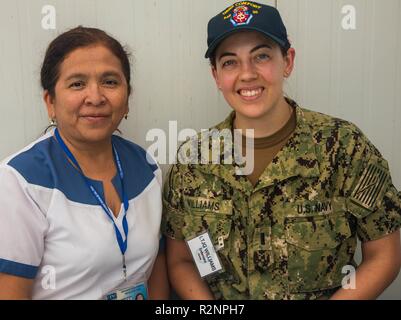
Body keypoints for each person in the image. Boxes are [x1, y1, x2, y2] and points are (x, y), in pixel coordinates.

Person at [162, 1, 401, 300]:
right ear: (216, 76)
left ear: (287, 60)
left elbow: (384, 255)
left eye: (261, 56)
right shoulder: (193, 160)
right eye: (230, 62)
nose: (247, 74)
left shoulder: (344, 147)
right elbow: (181, 260)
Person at [0, 27, 169, 300]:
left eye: (110, 82)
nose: (95, 97)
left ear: (127, 98)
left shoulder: (145, 165)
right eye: (77, 84)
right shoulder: (20, 181)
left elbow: (157, 268)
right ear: (50, 102)